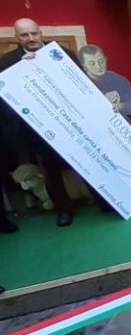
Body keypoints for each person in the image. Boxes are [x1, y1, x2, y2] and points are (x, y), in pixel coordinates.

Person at [0, 18, 82, 227]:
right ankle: (64, 209)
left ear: (40, 32)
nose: (31, 38)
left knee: (88, 162)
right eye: (24, 35)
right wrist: (22, 70)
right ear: (16, 37)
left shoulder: (62, 54)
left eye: (34, 33)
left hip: (74, 122)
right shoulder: (8, 62)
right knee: (50, 170)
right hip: (39, 129)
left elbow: (82, 84)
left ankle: (104, 202)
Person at [78, 45, 131, 123]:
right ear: (84, 66)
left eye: (101, 61)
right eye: (92, 63)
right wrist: (104, 102)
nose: (98, 66)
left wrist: (119, 106)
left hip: (122, 128)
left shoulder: (120, 79)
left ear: (106, 59)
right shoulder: (80, 83)